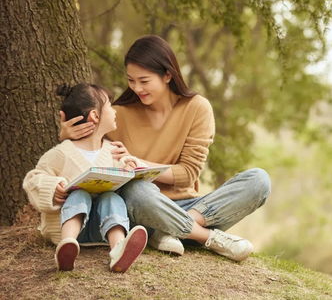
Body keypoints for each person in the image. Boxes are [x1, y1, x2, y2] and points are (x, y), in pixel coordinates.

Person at [59, 35, 271, 262]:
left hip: (191, 207)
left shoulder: (197, 108)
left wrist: (141, 163)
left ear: (168, 75)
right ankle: (206, 237)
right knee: (137, 190)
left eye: (144, 80)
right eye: (131, 80)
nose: (137, 88)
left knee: (258, 180)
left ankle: (166, 230)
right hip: (140, 208)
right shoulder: (118, 114)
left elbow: (188, 174)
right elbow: (86, 153)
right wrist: (66, 137)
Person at [24, 83, 148, 272]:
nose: (114, 111)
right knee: (79, 195)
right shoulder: (62, 153)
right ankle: (67, 245)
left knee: (111, 197)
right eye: (109, 106)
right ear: (95, 116)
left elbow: (125, 175)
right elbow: (32, 179)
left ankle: (118, 249)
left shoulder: (112, 151)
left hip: (101, 228)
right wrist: (53, 187)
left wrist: (130, 166)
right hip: (68, 228)